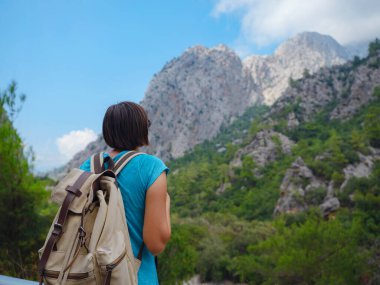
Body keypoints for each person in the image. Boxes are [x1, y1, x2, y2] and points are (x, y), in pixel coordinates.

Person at [79, 101, 171, 285]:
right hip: (136, 278)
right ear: (141, 130)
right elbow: (156, 244)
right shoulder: (151, 168)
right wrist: (166, 202)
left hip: (88, 277)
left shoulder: (89, 166)